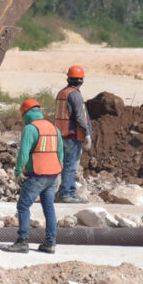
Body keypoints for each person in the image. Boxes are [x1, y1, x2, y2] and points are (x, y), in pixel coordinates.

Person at [3, 99, 62, 254]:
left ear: (26, 114)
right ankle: (50, 243)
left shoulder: (30, 129)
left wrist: (18, 172)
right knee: (48, 207)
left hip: (37, 174)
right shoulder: (53, 128)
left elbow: (23, 153)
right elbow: (60, 153)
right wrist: (58, 171)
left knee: (23, 206)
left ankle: (22, 241)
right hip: (53, 175)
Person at [54, 65, 92, 203]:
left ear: (68, 78)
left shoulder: (61, 93)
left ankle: (69, 191)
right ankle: (67, 194)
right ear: (81, 81)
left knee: (65, 164)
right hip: (71, 135)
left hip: (60, 134)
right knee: (71, 165)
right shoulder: (75, 95)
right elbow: (81, 117)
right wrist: (87, 134)